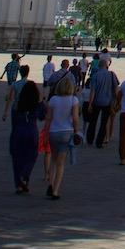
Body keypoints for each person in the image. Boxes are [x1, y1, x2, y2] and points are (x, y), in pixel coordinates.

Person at [43, 71, 82, 200]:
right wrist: (77, 131)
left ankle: (50, 183)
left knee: (53, 160)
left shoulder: (53, 99)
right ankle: (56, 190)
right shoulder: (73, 100)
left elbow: (48, 118)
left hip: (54, 132)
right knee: (61, 163)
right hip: (67, 132)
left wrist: (46, 134)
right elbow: (75, 118)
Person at [8, 65, 44, 193]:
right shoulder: (36, 106)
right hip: (32, 132)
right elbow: (42, 116)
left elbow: (13, 122)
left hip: (18, 132)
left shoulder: (17, 108)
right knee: (31, 156)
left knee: (17, 158)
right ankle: (25, 177)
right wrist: (41, 101)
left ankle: (18, 184)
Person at [88, 59, 119, 147]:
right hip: (108, 102)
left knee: (93, 121)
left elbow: (92, 91)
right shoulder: (112, 74)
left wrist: (90, 104)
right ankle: (99, 141)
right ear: (107, 65)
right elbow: (116, 89)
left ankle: (90, 139)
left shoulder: (95, 75)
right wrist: (118, 101)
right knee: (104, 122)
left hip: (97, 101)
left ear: (98, 66)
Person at [1, 52, 22, 121]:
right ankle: (10, 96)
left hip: (8, 76)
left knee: (9, 86)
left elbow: (5, 69)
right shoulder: (17, 64)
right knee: (12, 87)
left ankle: (7, 96)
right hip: (13, 77)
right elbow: (20, 69)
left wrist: (2, 76)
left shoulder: (9, 63)